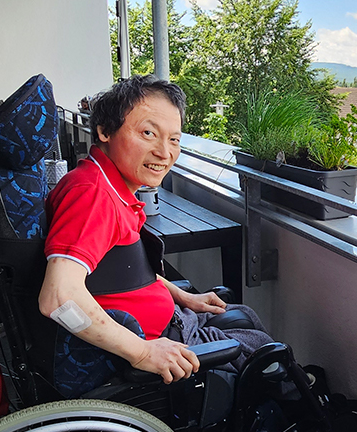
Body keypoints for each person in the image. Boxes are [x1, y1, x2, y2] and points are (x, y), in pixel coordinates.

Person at [39, 75, 228, 397]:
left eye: (174, 140)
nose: (164, 152)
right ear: (104, 131)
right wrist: (142, 352)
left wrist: (182, 296)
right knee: (266, 353)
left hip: (162, 321)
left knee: (244, 318)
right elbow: (58, 297)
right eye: (148, 133)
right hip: (146, 344)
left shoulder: (107, 184)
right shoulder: (92, 196)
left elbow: (118, 269)